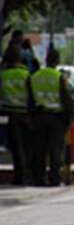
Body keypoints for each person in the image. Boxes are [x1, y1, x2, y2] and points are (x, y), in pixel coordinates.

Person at [29, 46, 74, 187]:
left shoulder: (34, 76)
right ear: (57, 61)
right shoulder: (59, 77)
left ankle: (39, 178)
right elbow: (66, 98)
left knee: (39, 149)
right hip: (56, 118)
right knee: (56, 150)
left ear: (46, 60)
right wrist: (70, 117)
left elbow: (29, 99)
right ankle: (55, 178)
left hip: (39, 116)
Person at [0, 45, 32, 185]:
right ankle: (28, 174)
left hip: (11, 113)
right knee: (27, 146)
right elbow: (32, 95)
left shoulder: (4, 75)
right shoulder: (27, 75)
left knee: (16, 147)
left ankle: (20, 176)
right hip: (26, 113)